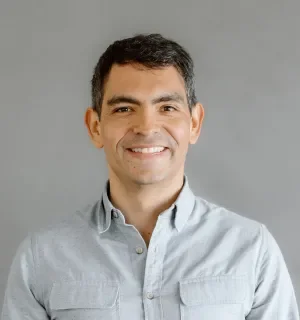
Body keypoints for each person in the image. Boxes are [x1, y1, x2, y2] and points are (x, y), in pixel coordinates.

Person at [1, 33, 299, 320]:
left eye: (167, 107)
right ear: (95, 127)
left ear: (194, 123)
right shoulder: (41, 256)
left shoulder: (251, 249)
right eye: (125, 108)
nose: (146, 127)